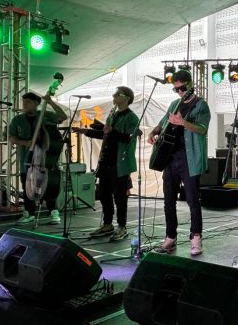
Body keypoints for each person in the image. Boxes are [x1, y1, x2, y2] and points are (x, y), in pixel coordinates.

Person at [148, 70, 211, 256]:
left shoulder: (201, 105)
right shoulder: (175, 104)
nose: (180, 92)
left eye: (182, 88)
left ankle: (196, 238)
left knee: (192, 200)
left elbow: (202, 129)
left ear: (190, 84)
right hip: (170, 158)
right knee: (168, 200)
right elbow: (162, 123)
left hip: (189, 159)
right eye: (176, 89)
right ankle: (170, 237)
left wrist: (183, 123)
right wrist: (153, 133)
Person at [73, 86, 139, 241]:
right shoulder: (113, 115)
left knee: (120, 197)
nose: (113, 97)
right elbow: (106, 134)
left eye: (117, 95)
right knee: (103, 194)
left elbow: (128, 138)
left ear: (126, 98)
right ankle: (107, 224)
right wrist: (86, 131)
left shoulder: (131, 117)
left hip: (120, 163)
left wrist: (109, 131)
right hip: (106, 161)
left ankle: (122, 226)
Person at [9, 92, 67, 225]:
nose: (25, 104)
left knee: (49, 184)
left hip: (46, 159)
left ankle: (53, 212)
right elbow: (12, 137)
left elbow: (62, 117)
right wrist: (25, 143)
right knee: (27, 186)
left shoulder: (46, 115)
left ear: (37, 103)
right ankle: (29, 213)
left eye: (28, 102)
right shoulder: (17, 120)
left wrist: (51, 102)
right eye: (24, 102)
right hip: (27, 159)